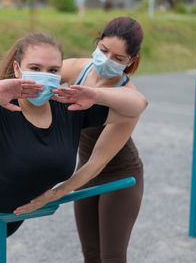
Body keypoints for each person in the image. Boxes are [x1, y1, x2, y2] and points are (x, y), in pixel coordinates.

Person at [0, 32, 147, 263]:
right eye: (35, 68)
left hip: (12, 215)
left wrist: (95, 94)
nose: (44, 76)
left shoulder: (70, 110)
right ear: (17, 69)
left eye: (53, 70)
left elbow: (137, 105)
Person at [15, 18, 145, 263]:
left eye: (118, 58)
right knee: (91, 254)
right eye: (104, 51)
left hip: (119, 175)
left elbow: (98, 161)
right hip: (84, 169)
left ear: (131, 61)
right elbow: (32, 81)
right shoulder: (76, 68)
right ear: (97, 43)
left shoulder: (126, 98)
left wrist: (56, 193)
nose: (106, 61)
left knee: (112, 257)